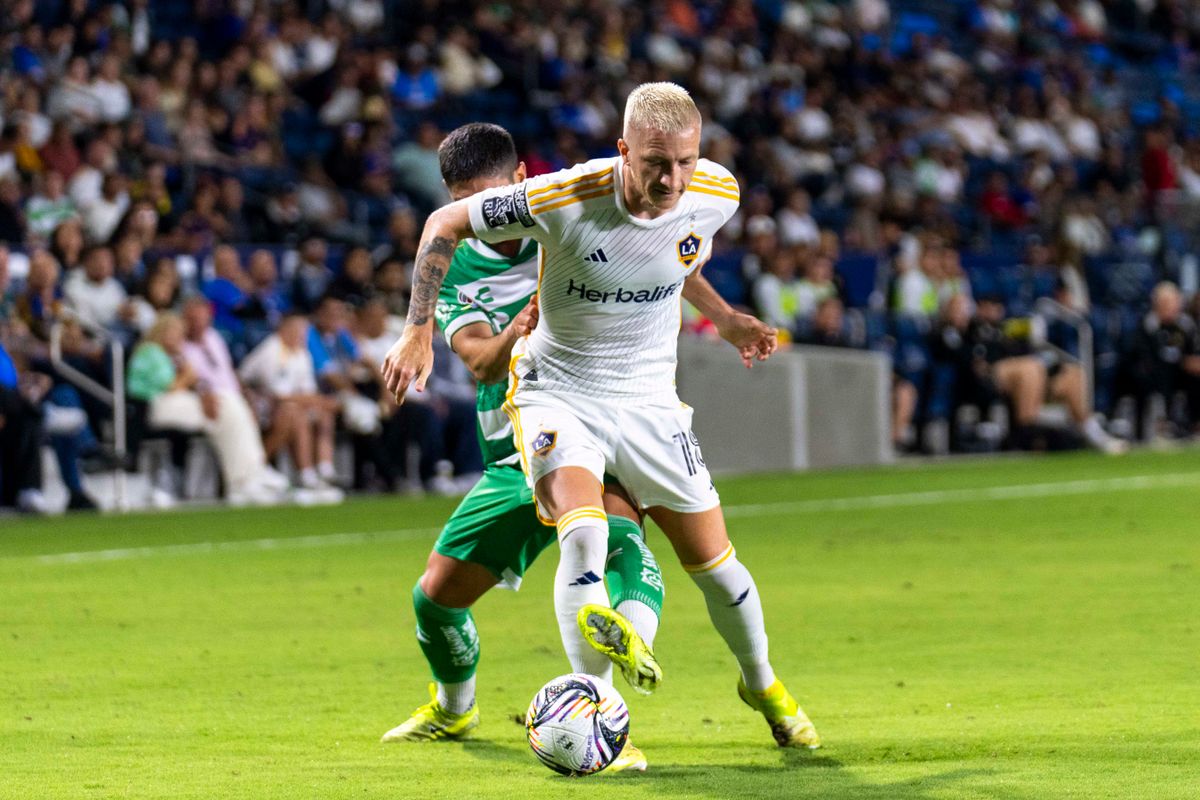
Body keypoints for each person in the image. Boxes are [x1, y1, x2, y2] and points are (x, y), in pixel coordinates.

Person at [383, 83, 819, 749]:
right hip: (539, 415)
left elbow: (674, 251)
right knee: (455, 589)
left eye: (683, 163)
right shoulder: (530, 218)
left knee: (703, 562)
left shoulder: (709, 193)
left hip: (644, 405)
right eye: (462, 199)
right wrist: (426, 332)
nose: (673, 178)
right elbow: (475, 358)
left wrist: (727, 320)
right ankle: (503, 710)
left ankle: (733, 683)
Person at [378, 125, 666, 775]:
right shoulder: (456, 260)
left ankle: (606, 717)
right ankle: (454, 708)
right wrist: (520, 322)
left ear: (520, 181)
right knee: (435, 600)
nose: (482, 220)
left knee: (616, 547)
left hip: (594, 430)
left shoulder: (571, 217)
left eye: (489, 200)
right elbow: (480, 362)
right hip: (511, 456)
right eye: (465, 205)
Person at [126, 313, 287, 505]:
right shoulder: (150, 351)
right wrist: (188, 373)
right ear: (161, 332)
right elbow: (171, 388)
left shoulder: (172, 356)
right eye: (173, 333)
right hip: (154, 406)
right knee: (225, 406)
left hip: (174, 402)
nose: (178, 338)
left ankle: (250, 474)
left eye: (180, 334)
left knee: (228, 405)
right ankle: (243, 479)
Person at [238, 312, 341, 493]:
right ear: (285, 330)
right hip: (256, 403)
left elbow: (306, 390)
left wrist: (318, 402)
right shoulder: (271, 350)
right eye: (299, 331)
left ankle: (324, 470)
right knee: (295, 414)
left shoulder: (301, 352)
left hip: (286, 404)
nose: (302, 336)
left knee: (323, 413)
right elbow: (278, 395)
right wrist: (316, 400)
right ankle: (301, 474)